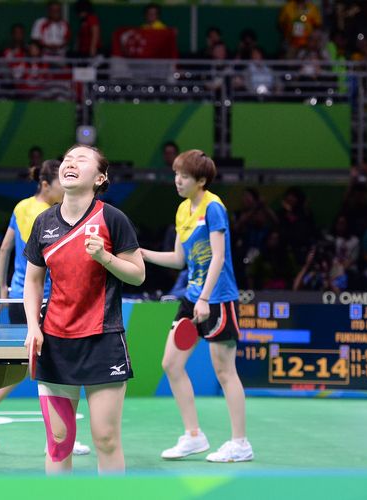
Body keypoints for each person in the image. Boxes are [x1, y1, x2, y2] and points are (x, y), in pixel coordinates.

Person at [24, 145, 145, 474]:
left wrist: (105, 258)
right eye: (66, 159)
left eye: (81, 159)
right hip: (55, 342)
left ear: (100, 177)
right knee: (59, 441)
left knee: (106, 438)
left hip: (102, 340)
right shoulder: (43, 223)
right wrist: (33, 327)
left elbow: (137, 274)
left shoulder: (112, 219)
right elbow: (33, 281)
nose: (70, 163)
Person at [0, 160, 89, 456]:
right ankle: (59, 436)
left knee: (26, 366)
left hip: (19, 298)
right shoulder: (52, 215)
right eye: (61, 181)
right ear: (46, 184)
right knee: (56, 372)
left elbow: (5, 248)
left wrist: (4, 290)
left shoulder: (20, 207)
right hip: (44, 300)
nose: (65, 186)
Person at [140, 150, 253, 463]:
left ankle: (240, 443)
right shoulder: (181, 210)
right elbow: (180, 259)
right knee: (171, 364)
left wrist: (205, 298)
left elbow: (218, 256)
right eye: (176, 174)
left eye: (185, 176)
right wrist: (143, 254)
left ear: (201, 181)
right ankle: (193, 435)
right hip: (192, 297)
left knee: (225, 371)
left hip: (217, 298)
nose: (178, 180)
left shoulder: (213, 207)